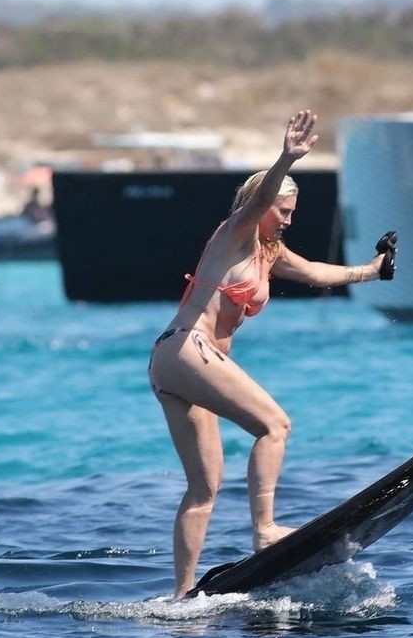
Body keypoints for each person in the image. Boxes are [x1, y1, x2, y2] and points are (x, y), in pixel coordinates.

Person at [146, 109, 397, 597]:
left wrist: (372, 271)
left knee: (203, 488)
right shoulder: (235, 233)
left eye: (292, 212)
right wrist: (287, 159)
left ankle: (181, 597)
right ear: (260, 207)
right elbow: (262, 196)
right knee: (275, 426)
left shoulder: (270, 252)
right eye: (283, 210)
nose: (287, 219)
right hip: (188, 347)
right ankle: (264, 530)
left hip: (174, 362)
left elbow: (316, 273)